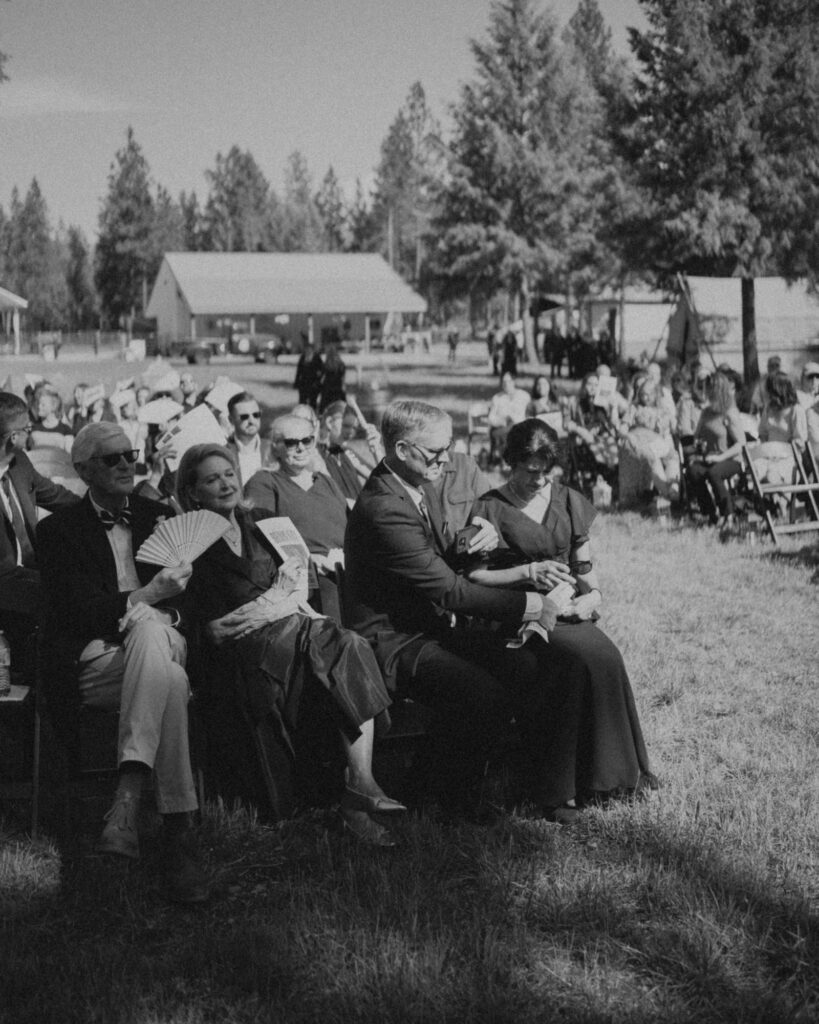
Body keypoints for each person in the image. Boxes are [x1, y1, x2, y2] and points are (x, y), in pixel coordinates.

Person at [343, 399, 596, 823]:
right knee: (484, 693)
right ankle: (447, 799)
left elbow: (436, 561)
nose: (446, 460)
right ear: (402, 450)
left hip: (427, 625)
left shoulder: (412, 484)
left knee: (535, 666)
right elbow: (448, 591)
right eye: (435, 452)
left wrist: (471, 541)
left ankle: (538, 786)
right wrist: (530, 603)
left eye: (448, 448)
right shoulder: (384, 506)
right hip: (393, 640)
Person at [176, 443, 402, 846]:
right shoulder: (188, 546)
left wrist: (278, 600)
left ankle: (361, 782)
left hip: (296, 632)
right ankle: (357, 795)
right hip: (241, 654)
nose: (225, 483)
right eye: (212, 479)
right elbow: (215, 630)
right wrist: (273, 601)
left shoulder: (264, 521)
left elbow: (301, 584)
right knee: (337, 644)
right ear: (193, 492)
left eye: (229, 473)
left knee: (349, 644)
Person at [36, 423, 208, 904]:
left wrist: (166, 609)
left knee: (155, 632)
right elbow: (76, 611)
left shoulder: (159, 516)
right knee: (170, 682)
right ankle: (179, 834)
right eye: (112, 459)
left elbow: (192, 606)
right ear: (84, 470)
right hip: (97, 661)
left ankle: (127, 802)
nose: (127, 464)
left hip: (160, 643)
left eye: (130, 455)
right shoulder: (57, 531)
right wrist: (147, 597)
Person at [467, 418, 654, 804]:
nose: (539, 480)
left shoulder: (567, 498)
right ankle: (563, 786)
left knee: (606, 656)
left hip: (567, 608)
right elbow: (475, 577)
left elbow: (584, 566)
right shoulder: (490, 506)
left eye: (545, 471)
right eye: (530, 471)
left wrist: (594, 596)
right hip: (518, 613)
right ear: (511, 464)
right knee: (576, 662)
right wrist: (528, 571)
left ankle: (614, 776)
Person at [0, 392, 80, 664]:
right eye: (27, 429)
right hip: (5, 580)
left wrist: (100, 510)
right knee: (64, 596)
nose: (30, 433)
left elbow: (56, 496)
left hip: (30, 573)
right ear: (13, 438)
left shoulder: (20, 463)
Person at [244, 414, 349, 621]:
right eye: (291, 443)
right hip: (306, 576)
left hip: (345, 568)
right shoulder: (265, 482)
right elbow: (259, 538)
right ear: (276, 447)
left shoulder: (325, 481)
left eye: (307, 440)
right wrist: (311, 559)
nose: (301, 448)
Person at [687, 371, 746, 525]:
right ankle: (709, 512)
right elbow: (697, 435)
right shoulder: (706, 412)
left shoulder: (729, 413)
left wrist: (720, 457)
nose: (705, 392)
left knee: (714, 473)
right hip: (709, 457)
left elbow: (741, 444)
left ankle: (728, 514)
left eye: (708, 389)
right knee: (694, 471)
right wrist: (697, 450)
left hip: (731, 459)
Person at [618, 376, 680, 507]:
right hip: (637, 440)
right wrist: (630, 437)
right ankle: (666, 492)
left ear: (655, 395)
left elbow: (671, 430)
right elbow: (622, 429)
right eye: (642, 395)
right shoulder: (634, 408)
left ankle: (673, 490)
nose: (645, 398)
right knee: (653, 458)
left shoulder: (663, 410)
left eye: (648, 395)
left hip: (656, 440)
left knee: (673, 456)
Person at [748, 371, 807, 489]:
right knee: (753, 473)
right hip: (767, 456)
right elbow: (763, 435)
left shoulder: (796, 410)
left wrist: (779, 450)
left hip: (789, 460)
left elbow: (800, 442)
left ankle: (781, 506)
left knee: (772, 476)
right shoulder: (768, 409)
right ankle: (769, 505)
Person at [225, 391, 276, 487]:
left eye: (256, 415)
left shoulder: (273, 449)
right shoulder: (224, 453)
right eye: (244, 417)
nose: (251, 420)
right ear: (231, 420)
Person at [487, 372, 530, 465]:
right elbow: (491, 417)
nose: (506, 384)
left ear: (514, 382)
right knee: (500, 433)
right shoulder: (497, 398)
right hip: (502, 426)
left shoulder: (524, 396)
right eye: (504, 382)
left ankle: (508, 460)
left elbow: (529, 414)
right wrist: (502, 421)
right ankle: (505, 460)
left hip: (520, 425)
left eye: (509, 381)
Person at [28, 382, 74, 452]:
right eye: (39, 403)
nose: (39, 407)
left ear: (54, 406)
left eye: (43, 405)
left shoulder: (65, 430)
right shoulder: (34, 428)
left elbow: (69, 456)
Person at [294, 343, 324, 408]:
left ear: (312, 349)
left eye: (309, 349)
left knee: (313, 402)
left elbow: (322, 369)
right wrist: (296, 382)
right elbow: (299, 370)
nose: (308, 350)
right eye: (306, 349)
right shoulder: (303, 357)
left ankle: (312, 414)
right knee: (302, 401)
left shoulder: (316, 357)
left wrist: (319, 379)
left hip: (313, 383)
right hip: (304, 382)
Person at [318, 344, 346, 412]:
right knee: (339, 406)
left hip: (327, 387)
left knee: (325, 407)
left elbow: (321, 376)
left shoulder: (326, 364)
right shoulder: (341, 364)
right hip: (337, 387)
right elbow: (342, 377)